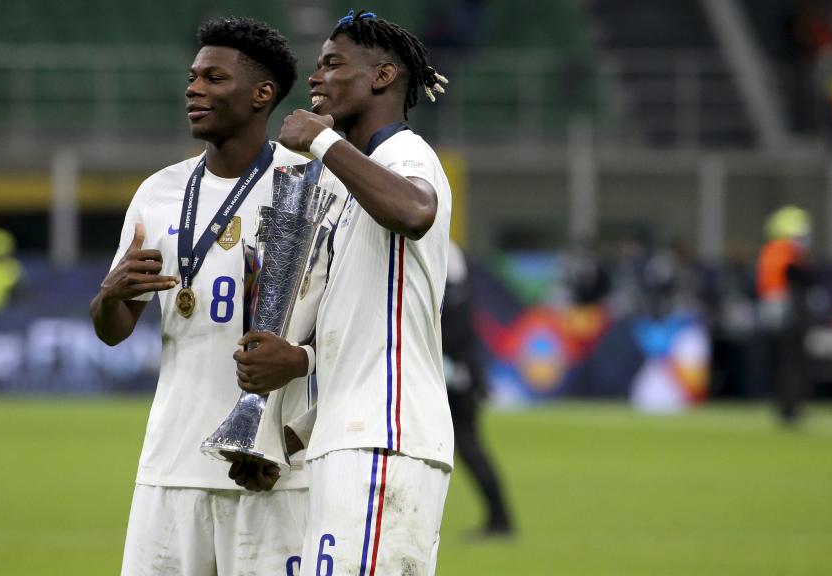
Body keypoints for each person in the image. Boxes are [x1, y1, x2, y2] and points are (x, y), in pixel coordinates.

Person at [89, 18, 325, 575]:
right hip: (170, 467)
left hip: (271, 469)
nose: (193, 89)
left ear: (262, 94)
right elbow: (114, 329)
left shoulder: (311, 184)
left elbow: (343, 324)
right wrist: (110, 295)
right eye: (192, 78)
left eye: (214, 78)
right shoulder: (159, 192)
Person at [234, 9, 454, 574]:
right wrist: (292, 431)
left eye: (333, 65)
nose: (315, 78)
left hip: (384, 433)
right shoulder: (354, 187)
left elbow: (415, 210)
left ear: (381, 77)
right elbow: (356, 328)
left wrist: (325, 142)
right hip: (349, 436)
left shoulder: (405, 154)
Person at [443, 241, 515, 538]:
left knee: (470, 448)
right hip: (463, 374)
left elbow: (454, 331)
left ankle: (500, 520)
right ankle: (499, 519)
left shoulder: (450, 280)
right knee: (469, 448)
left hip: (458, 378)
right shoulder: (454, 261)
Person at [756, 205, 814, 425]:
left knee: (782, 363)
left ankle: (786, 406)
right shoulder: (784, 252)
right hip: (790, 315)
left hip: (777, 314)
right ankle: (790, 407)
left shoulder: (769, 251)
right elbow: (800, 276)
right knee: (792, 363)